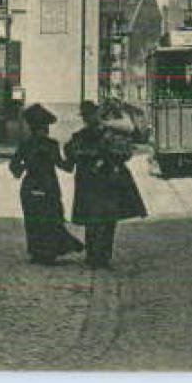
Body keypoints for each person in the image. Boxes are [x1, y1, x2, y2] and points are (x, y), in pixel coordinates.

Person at [63, 100, 148, 270]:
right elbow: (70, 155)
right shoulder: (81, 136)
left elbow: (125, 151)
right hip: (94, 182)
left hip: (106, 181)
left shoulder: (108, 133)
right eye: (86, 116)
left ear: (97, 115)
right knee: (95, 219)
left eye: (90, 115)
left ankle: (100, 256)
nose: (89, 119)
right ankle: (95, 256)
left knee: (105, 219)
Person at [8, 103, 84, 265]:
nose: (46, 130)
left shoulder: (27, 145)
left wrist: (24, 167)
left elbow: (14, 167)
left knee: (36, 219)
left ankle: (39, 252)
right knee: (49, 218)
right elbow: (66, 166)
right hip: (48, 186)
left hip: (32, 186)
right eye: (44, 127)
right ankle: (46, 252)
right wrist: (73, 156)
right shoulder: (50, 144)